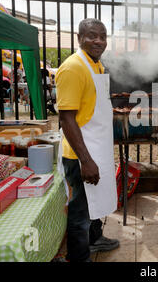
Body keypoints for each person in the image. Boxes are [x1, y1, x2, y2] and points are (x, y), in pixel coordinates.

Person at [56, 18, 119, 262]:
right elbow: (66, 119)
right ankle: (79, 257)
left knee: (94, 205)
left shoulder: (96, 65)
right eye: (92, 36)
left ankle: (95, 239)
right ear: (79, 38)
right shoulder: (73, 68)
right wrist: (87, 161)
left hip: (95, 149)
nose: (99, 41)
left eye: (103, 36)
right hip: (80, 155)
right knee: (80, 214)